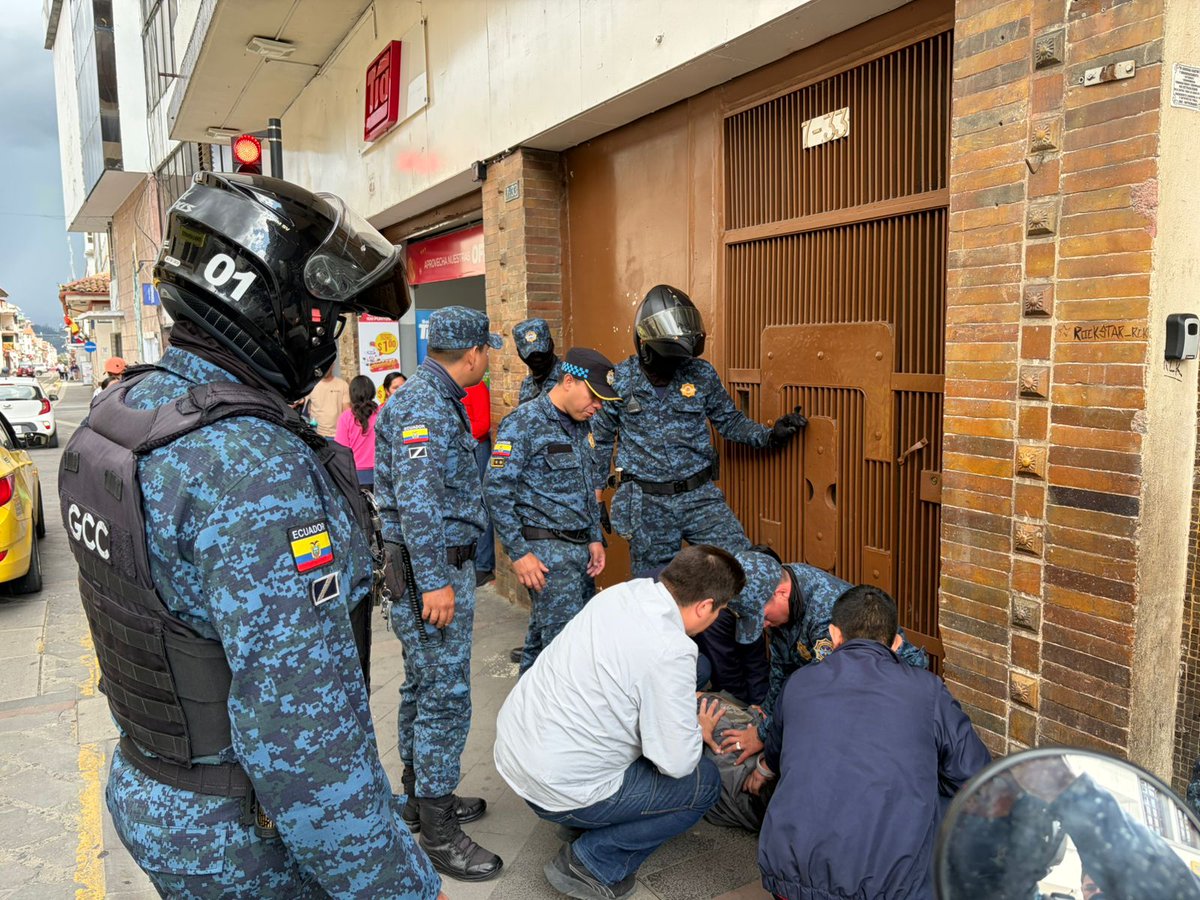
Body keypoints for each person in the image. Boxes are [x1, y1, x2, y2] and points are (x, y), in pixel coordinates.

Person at [58, 172, 442, 897]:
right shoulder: (253, 469)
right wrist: (401, 886)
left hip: (154, 790)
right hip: (244, 837)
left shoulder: (126, 413)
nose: (329, 337)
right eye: (326, 317)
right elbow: (304, 741)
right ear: (267, 304)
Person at [494, 545, 744, 900]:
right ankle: (592, 863)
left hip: (518, 749)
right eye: (720, 609)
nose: (717, 617)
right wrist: (695, 731)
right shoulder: (671, 651)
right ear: (705, 606)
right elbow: (676, 763)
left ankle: (584, 821)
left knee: (698, 671)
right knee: (703, 783)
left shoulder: (622, 593)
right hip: (557, 784)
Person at [374, 305, 505, 882]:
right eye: (486, 351)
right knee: (444, 697)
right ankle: (438, 832)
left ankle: (420, 800)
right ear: (472, 352)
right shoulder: (424, 405)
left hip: (437, 567)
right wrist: (433, 581)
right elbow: (419, 500)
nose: (487, 360)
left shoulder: (433, 397)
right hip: (433, 572)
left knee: (423, 687)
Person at [754, 585, 991, 900]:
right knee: (954, 796)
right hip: (890, 889)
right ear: (896, 643)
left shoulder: (799, 682)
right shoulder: (927, 689)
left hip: (787, 880)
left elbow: (775, 755)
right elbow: (975, 773)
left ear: (834, 635)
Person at [591, 284, 807, 578]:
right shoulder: (619, 380)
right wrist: (596, 499)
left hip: (700, 498)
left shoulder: (700, 373)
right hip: (647, 505)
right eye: (670, 359)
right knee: (655, 588)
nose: (678, 366)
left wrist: (770, 436)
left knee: (739, 570)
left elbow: (730, 421)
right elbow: (601, 441)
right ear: (646, 347)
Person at [716, 548, 928, 765]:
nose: (763, 625)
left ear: (781, 593)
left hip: (881, 699)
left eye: (763, 616)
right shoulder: (779, 589)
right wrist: (767, 717)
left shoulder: (824, 613)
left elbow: (817, 691)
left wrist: (763, 739)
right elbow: (781, 665)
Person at [485, 348, 618, 672]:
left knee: (543, 643)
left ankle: (525, 703)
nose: (598, 406)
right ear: (569, 381)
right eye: (594, 396)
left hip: (578, 552)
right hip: (546, 554)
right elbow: (496, 489)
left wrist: (593, 537)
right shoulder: (524, 422)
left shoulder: (581, 424)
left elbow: (586, 486)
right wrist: (519, 553)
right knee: (565, 653)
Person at [462, 378, 496, 586]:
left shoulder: (476, 387)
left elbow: (483, 424)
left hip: (477, 448)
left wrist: (460, 437)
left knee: (482, 505)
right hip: (464, 450)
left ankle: (483, 564)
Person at [334, 374, 380, 489]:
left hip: (355, 476)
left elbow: (341, 450)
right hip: (380, 473)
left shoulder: (346, 417)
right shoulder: (382, 413)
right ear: (372, 392)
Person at [515, 316, 563, 404]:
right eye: (530, 354)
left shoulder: (569, 379)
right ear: (519, 353)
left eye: (541, 352)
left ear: (551, 344)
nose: (537, 358)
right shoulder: (527, 384)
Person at [305, 365, 350, 437]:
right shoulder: (310, 385)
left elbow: (347, 412)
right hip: (316, 435)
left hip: (337, 435)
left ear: (333, 365)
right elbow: (296, 403)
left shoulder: (343, 385)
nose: (324, 368)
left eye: (327, 365)